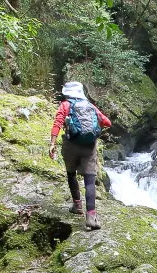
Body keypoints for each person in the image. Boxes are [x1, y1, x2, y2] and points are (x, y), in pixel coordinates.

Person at [48, 81, 112, 230]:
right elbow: (107, 122)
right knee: (90, 180)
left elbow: (57, 123)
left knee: (71, 175)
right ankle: (91, 217)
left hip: (71, 146)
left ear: (67, 93)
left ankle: (77, 205)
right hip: (89, 148)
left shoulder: (65, 105)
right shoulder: (90, 106)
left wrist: (52, 143)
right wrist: (92, 128)